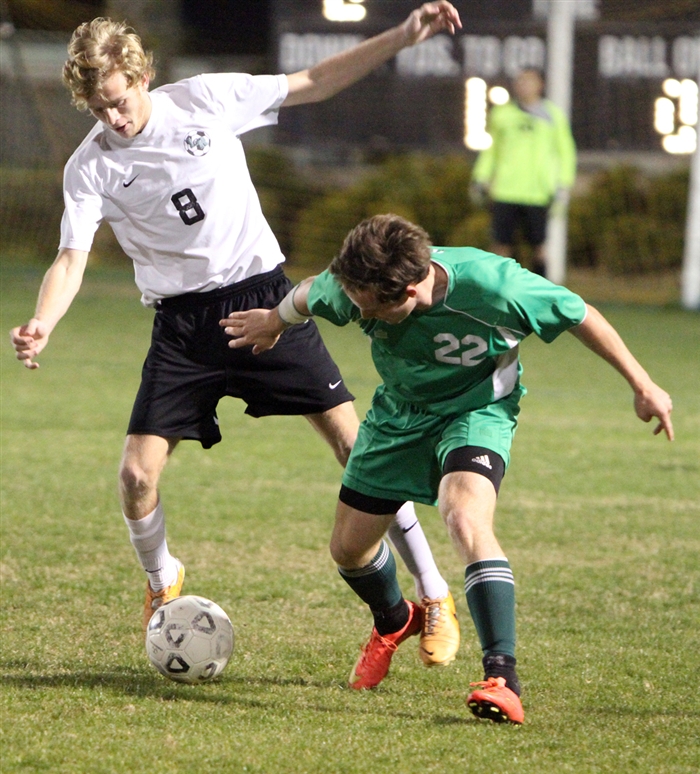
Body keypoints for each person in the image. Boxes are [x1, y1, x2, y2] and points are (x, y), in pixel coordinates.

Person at [8, 3, 464, 665]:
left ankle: (434, 594)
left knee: (360, 451)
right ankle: (162, 577)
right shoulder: (91, 166)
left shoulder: (205, 100)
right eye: (98, 109)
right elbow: (71, 257)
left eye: (119, 101)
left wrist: (401, 35)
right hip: (183, 327)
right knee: (136, 474)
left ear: (142, 76)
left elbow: (314, 82)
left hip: (265, 305)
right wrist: (43, 321)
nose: (113, 118)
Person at [221, 213, 674, 724]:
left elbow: (580, 314)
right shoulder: (354, 286)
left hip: (476, 412)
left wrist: (643, 385)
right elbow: (307, 293)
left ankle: (501, 678)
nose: (361, 314)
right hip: (398, 415)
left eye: (373, 310)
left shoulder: (495, 287)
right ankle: (394, 619)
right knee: (347, 550)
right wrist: (274, 320)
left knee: (464, 515)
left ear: (412, 290)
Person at [471, 68, 576, 276]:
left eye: (529, 81)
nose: (524, 85)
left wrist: (564, 183)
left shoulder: (553, 116)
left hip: (537, 192)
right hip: (505, 190)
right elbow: (491, 151)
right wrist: (480, 177)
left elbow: (566, 152)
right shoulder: (502, 114)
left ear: (540, 85)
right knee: (501, 246)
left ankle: (540, 291)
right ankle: (498, 291)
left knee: (539, 247)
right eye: (520, 81)